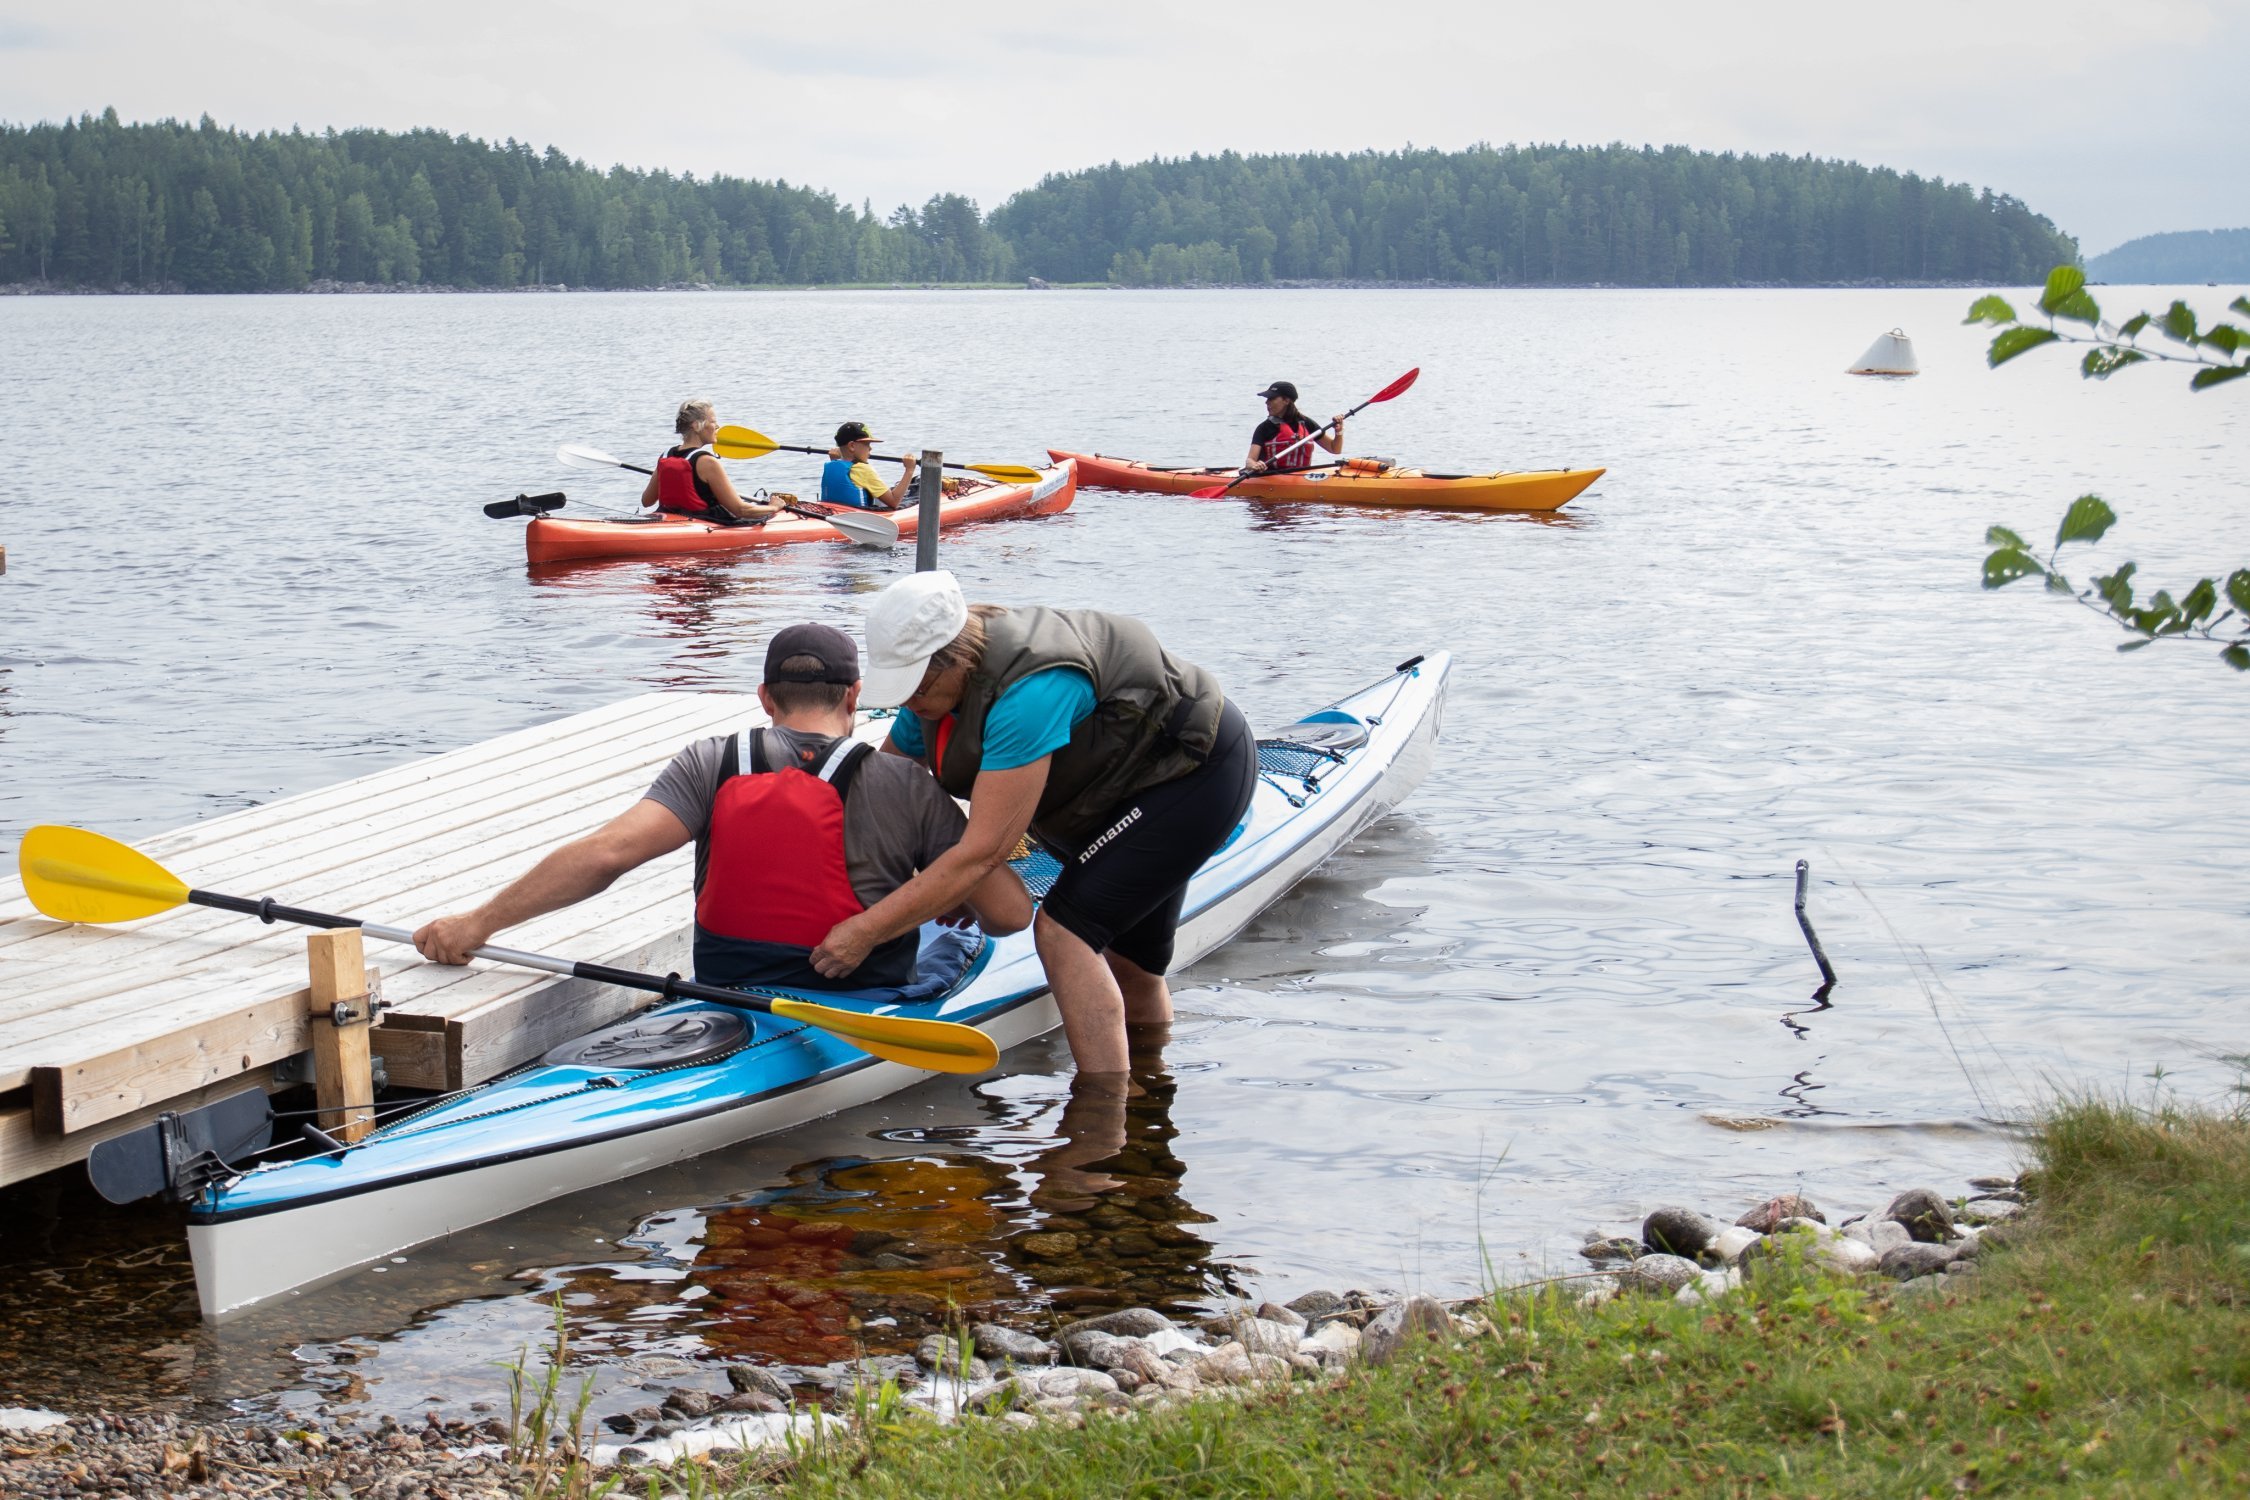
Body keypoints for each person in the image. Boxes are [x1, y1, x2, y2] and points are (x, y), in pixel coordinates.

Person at [414, 623, 1031, 991]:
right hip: (862, 995)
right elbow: (1008, 915)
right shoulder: (907, 783)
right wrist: (940, 893)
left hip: (727, 987)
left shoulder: (710, 761)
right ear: (855, 696)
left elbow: (606, 855)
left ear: (765, 696)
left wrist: (477, 925)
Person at [807, 572, 1257, 1077]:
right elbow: (881, 792)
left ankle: (1102, 1112)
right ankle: (1150, 1092)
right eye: (901, 688)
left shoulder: (1030, 692)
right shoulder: (930, 694)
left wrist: (868, 931)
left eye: (917, 687)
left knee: (1065, 930)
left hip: (1191, 774)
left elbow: (983, 853)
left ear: (956, 658)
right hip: (1107, 795)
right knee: (1131, 965)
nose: (910, 701)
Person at [642, 399, 778, 523]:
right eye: (713, 422)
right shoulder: (707, 462)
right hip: (704, 524)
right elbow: (740, 510)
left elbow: (646, 501)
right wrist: (774, 507)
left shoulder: (666, 456)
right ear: (696, 426)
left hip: (672, 520)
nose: (717, 426)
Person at [1242, 380, 1345, 473]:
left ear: (1286, 401)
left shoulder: (1307, 424)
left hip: (1301, 477)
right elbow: (1250, 460)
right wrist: (1255, 465)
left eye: (1272, 398)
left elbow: (1334, 449)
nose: (1267, 402)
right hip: (1270, 477)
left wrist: (1338, 431)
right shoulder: (1264, 428)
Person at [819, 421, 918, 510]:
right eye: (867, 444)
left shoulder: (832, 464)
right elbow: (894, 502)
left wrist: (835, 458)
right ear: (852, 446)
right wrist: (909, 470)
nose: (870, 449)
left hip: (834, 513)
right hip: (858, 518)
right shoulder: (863, 469)